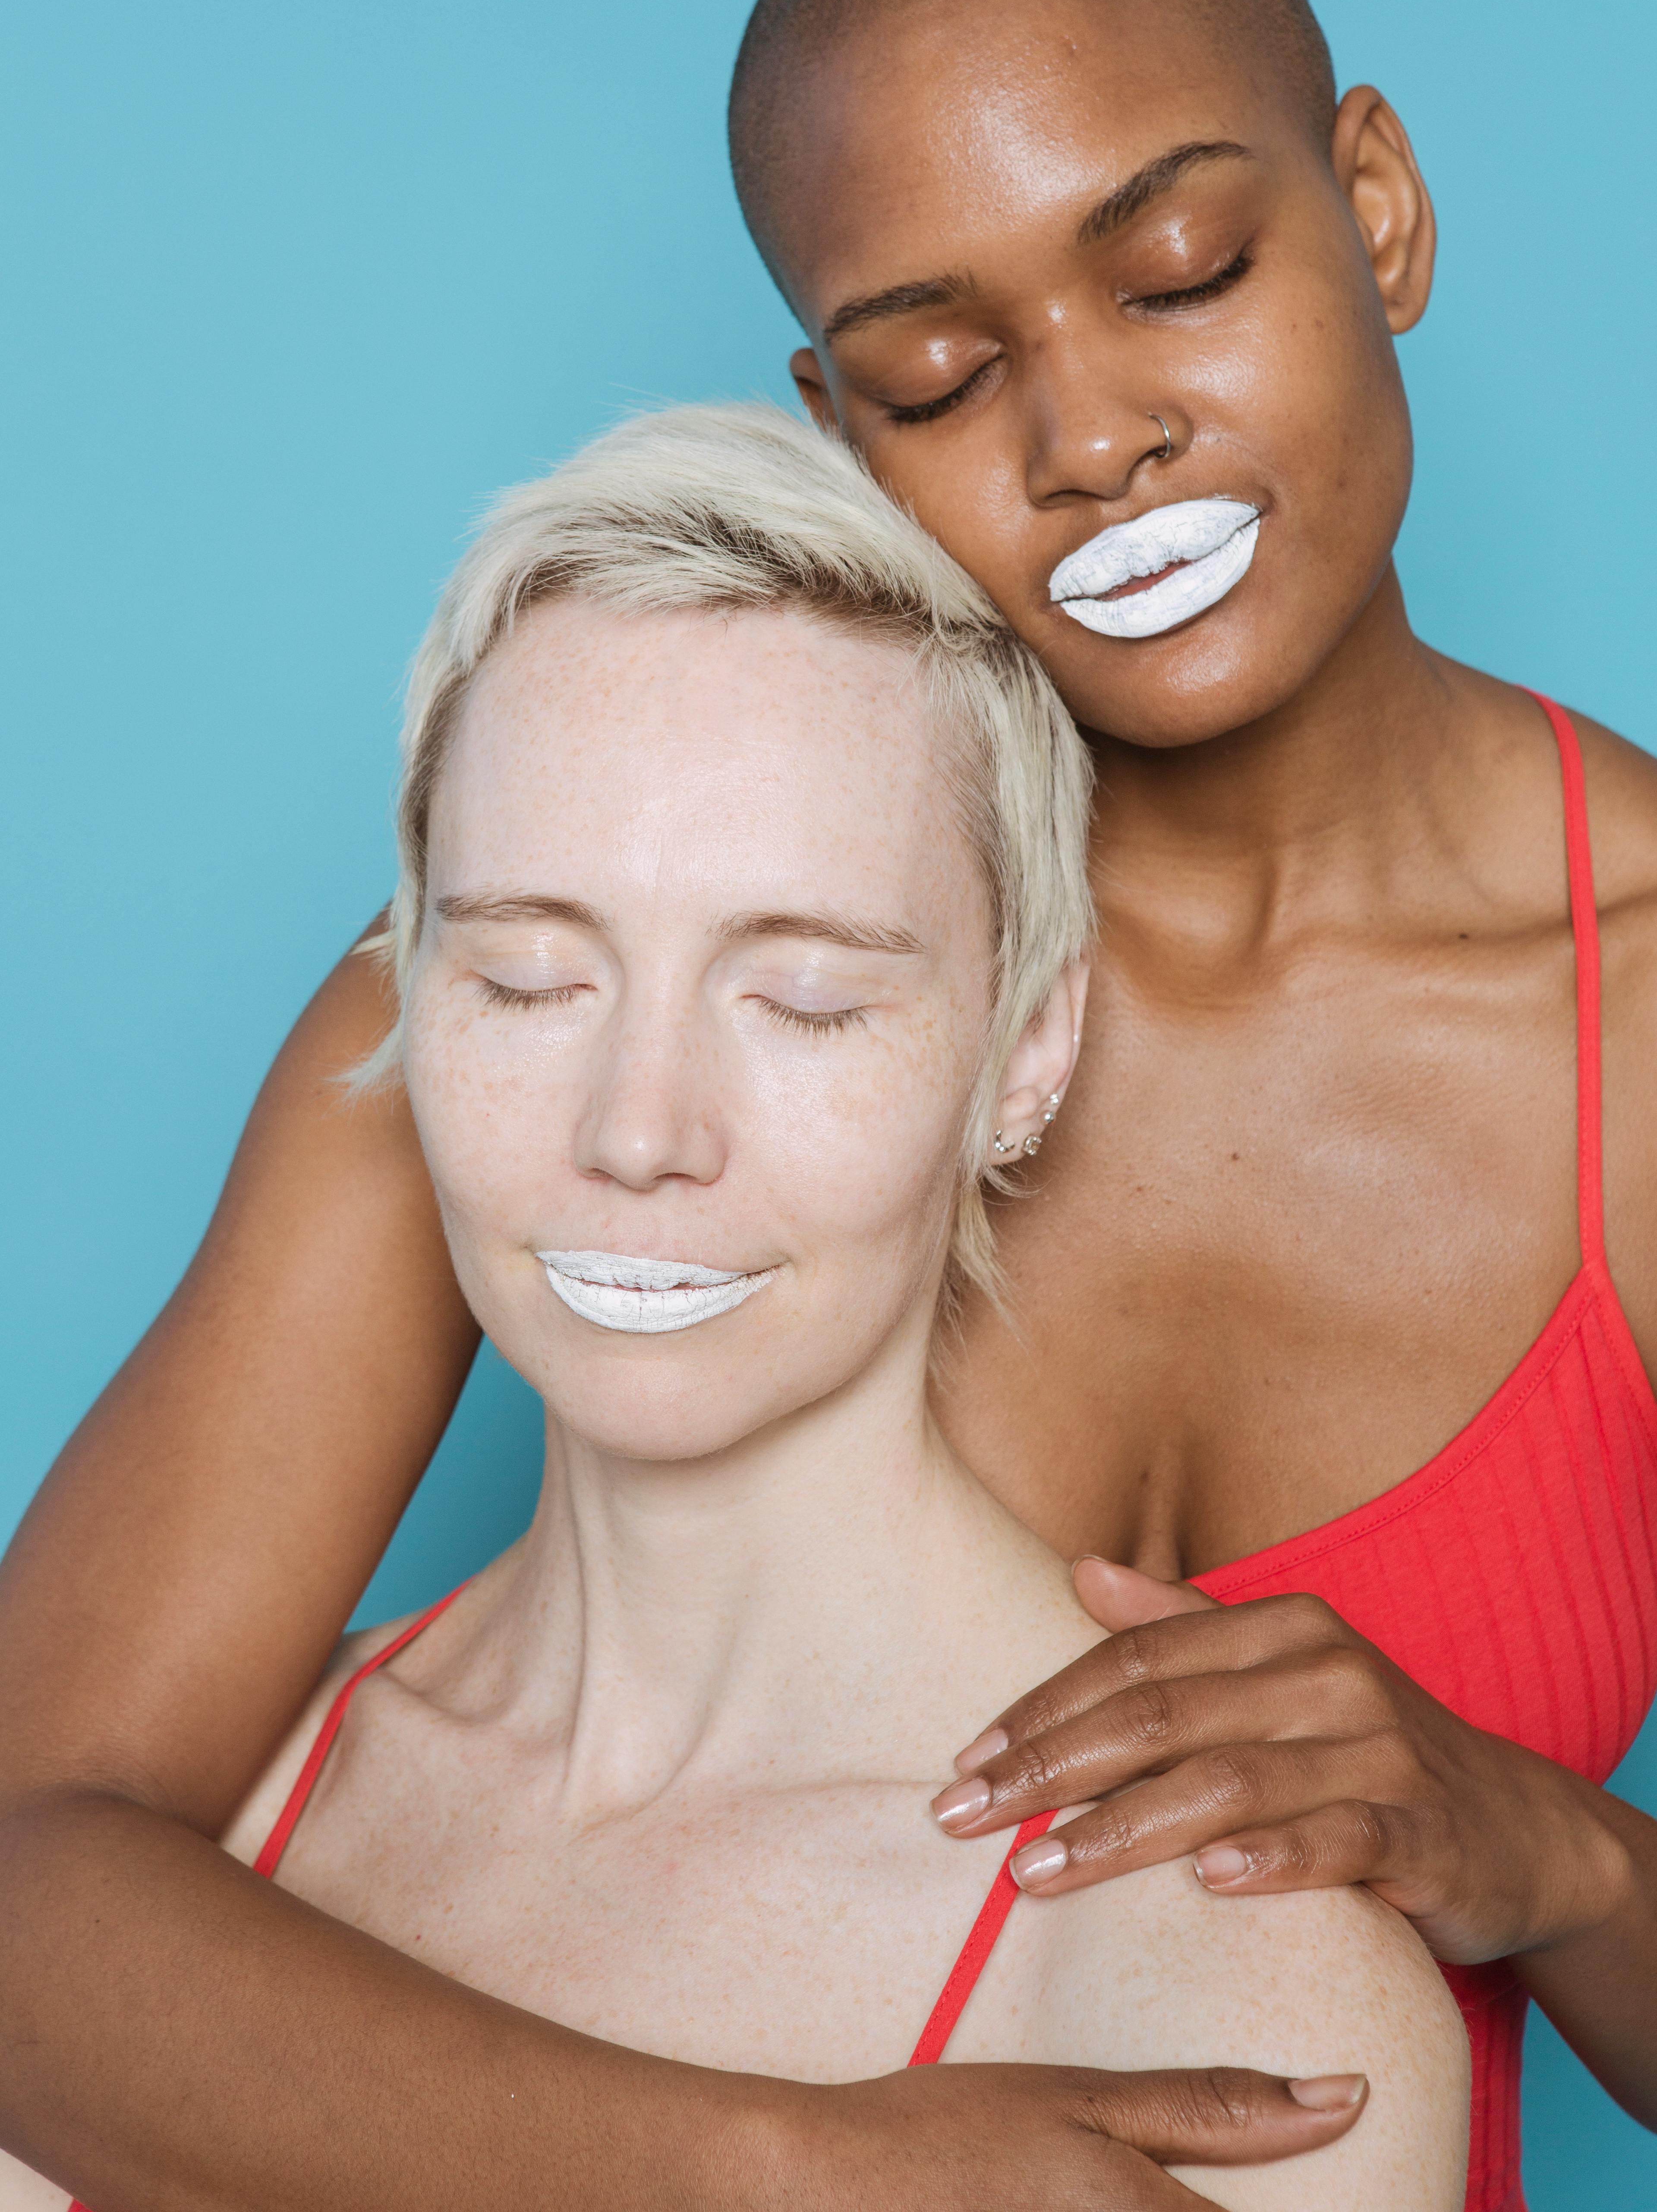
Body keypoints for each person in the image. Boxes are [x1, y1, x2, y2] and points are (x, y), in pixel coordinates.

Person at [2, 0, 1654, 2212]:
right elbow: (34, 1873)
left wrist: (1571, 1862)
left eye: (1181, 267)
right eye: (939, 367)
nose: (1092, 439)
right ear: (831, 424)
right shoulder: (555, 1004)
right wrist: (790, 2174)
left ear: (1376, 213)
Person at [0, 401, 1469, 2211]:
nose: (638, 1133)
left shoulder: (1224, 1996)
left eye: (807, 1004)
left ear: (1027, 1049)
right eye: (529, 978)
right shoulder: (164, 1845)